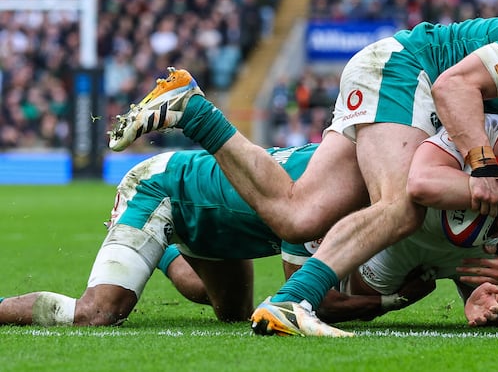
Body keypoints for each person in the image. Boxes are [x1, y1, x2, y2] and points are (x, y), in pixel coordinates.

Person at [108, 7, 498, 337]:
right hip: (407, 68)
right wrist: (484, 167)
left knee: (298, 211)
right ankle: (294, 301)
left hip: (410, 88)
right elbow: (455, 86)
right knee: (403, 204)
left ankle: (191, 108)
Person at [276, 89, 498, 329]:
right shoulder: (473, 133)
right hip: (406, 238)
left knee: (494, 322)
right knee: (349, 301)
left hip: (467, 257)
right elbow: (419, 184)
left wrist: (490, 298)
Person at [0, 143, 362, 335]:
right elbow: (306, 299)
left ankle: (160, 248)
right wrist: (391, 300)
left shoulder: (346, 165)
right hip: (161, 186)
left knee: (233, 312)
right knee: (97, 313)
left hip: (216, 217)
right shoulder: (331, 185)